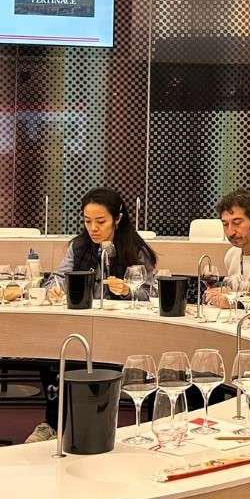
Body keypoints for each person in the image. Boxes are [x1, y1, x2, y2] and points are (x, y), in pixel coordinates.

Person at [25, 187, 158, 443]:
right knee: (53, 351)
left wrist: (126, 291)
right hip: (83, 326)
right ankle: (52, 423)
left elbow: (150, 293)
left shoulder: (135, 249)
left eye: (100, 222)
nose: (93, 229)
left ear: (117, 219)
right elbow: (58, 278)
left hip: (123, 330)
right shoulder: (78, 246)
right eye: (87, 222)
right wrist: (53, 290)